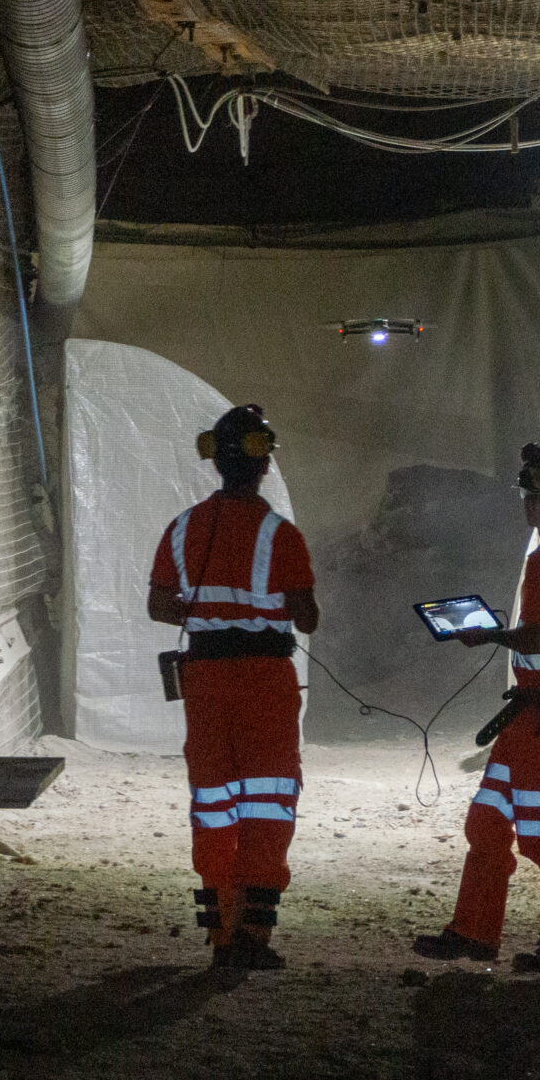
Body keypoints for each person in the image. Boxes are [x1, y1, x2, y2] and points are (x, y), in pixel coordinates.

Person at [414, 442, 540, 971]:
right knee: (489, 822)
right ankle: (474, 933)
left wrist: (492, 636)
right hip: (537, 719)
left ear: (530, 503)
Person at [148, 404, 318, 971]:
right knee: (268, 802)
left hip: (204, 680)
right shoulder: (282, 534)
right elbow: (308, 617)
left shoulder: (182, 527)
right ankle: (254, 935)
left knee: (214, 801)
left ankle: (220, 936)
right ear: (263, 464)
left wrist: (211, 608)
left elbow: (159, 605)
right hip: (266, 681)